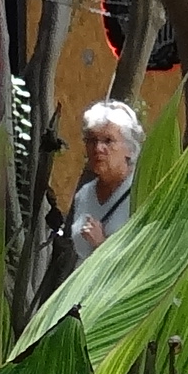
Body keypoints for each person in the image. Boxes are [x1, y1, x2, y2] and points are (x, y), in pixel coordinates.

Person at [71, 100, 140, 258]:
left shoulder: (141, 192)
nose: (98, 148)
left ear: (129, 148)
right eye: (92, 140)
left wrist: (101, 245)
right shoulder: (84, 195)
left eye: (108, 141)